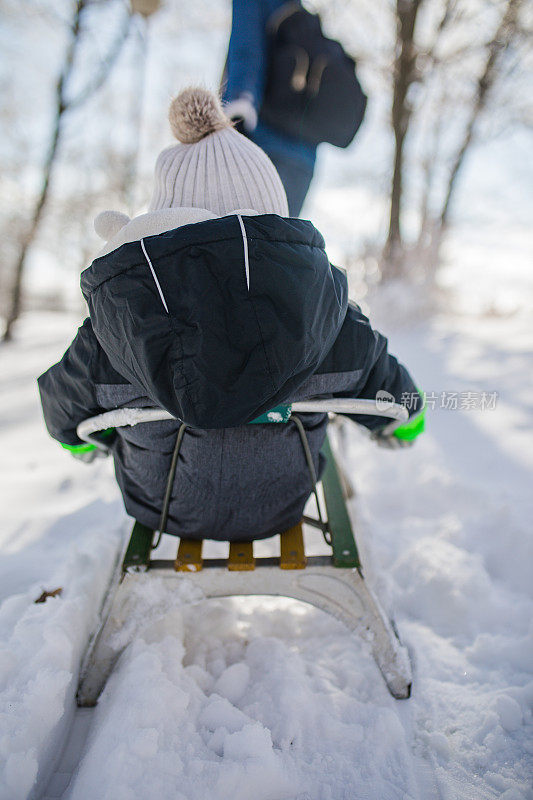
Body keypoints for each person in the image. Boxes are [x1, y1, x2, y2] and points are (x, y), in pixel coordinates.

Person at [38, 88, 424, 543]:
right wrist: (401, 430)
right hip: (283, 503)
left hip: (160, 505)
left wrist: (91, 442)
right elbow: (405, 406)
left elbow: (63, 414)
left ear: (163, 218)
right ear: (273, 218)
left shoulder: (122, 321)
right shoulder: (328, 315)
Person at [222, 0, 367, 217]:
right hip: (303, 160)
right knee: (278, 246)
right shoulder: (297, 12)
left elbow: (247, 52)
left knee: (235, 242)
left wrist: (236, 118)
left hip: (259, 146)